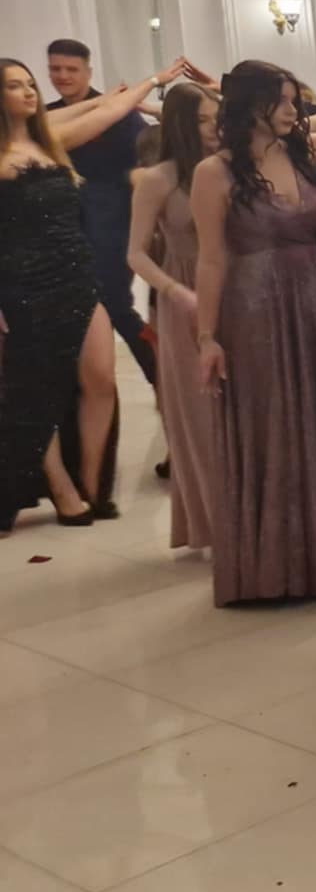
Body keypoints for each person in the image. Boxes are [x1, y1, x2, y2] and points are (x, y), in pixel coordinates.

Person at [191, 61, 316, 605]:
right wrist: (207, 336)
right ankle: (274, 568)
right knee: (272, 421)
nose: (293, 110)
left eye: (294, 100)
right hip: (253, 307)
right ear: (251, 105)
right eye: (281, 101)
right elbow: (211, 259)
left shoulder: (305, 153)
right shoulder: (214, 172)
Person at [0, 59, 164, 532]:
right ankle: (62, 489)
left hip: (77, 274)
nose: (29, 91)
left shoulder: (50, 142)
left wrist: (154, 81)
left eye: (30, 83)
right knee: (36, 393)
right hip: (23, 284)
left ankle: (92, 486)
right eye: (14, 86)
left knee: (100, 379)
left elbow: (106, 113)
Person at [126, 81, 221, 549]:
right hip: (183, 295)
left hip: (233, 289)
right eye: (203, 120)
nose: (213, 128)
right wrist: (175, 291)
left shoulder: (227, 168)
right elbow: (136, 253)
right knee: (200, 417)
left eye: (217, 119)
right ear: (182, 123)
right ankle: (213, 526)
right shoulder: (158, 179)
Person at [46, 38, 159, 383]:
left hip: (113, 229)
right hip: (63, 233)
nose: (63, 76)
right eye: (55, 69)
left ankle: (162, 377)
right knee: (78, 314)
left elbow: (147, 163)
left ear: (88, 72)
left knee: (116, 305)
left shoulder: (120, 113)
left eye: (71, 69)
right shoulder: (47, 118)